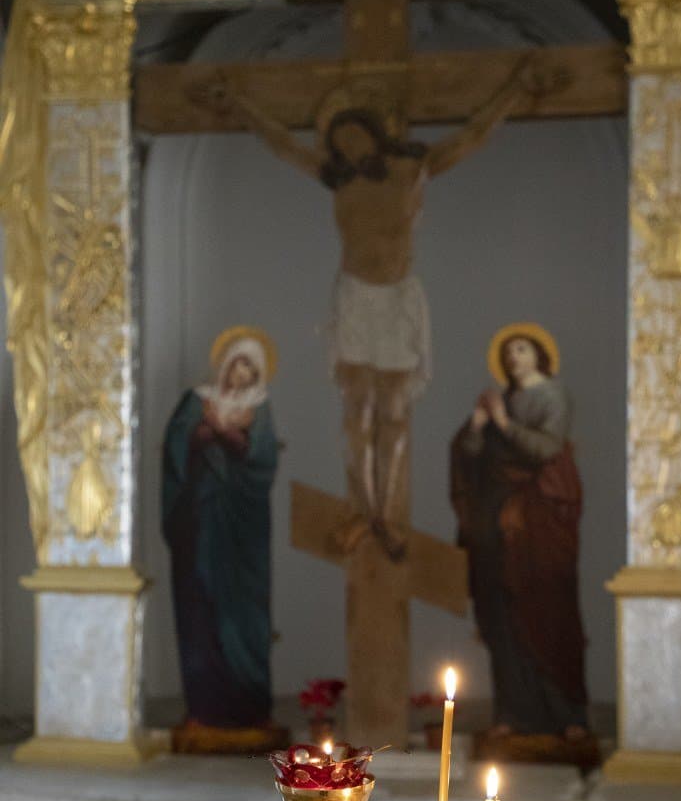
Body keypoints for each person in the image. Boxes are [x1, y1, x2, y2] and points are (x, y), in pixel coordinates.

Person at [191, 62, 542, 560]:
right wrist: (239, 106)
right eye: (341, 144)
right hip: (355, 298)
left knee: (394, 413)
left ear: (376, 134)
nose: (350, 150)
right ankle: (361, 510)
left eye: (357, 137)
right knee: (357, 412)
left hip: (398, 301)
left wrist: (514, 91)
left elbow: (471, 137)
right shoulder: (338, 179)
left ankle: (388, 517)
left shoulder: (412, 169)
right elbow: (283, 145)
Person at [450, 323, 589, 741]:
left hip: (540, 518)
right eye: (509, 352)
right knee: (502, 614)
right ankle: (512, 714)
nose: (514, 357)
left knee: (549, 610)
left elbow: (546, 448)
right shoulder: (501, 400)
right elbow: (470, 456)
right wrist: (477, 427)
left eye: (522, 349)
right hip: (498, 518)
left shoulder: (553, 395)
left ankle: (568, 716)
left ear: (540, 356)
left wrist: (504, 424)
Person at [162, 326, 279, 735]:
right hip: (202, 519)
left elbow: (263, 461)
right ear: (225, 364)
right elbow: (177, 447)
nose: (241, 374)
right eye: (238, 364)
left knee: (245, 614)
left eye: (251, 368)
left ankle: (251, 707)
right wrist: (207, 430)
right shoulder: (197, 400)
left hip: (244, 530)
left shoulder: (259, 408)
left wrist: (225, 432)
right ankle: (204, 707)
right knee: (201, 607)